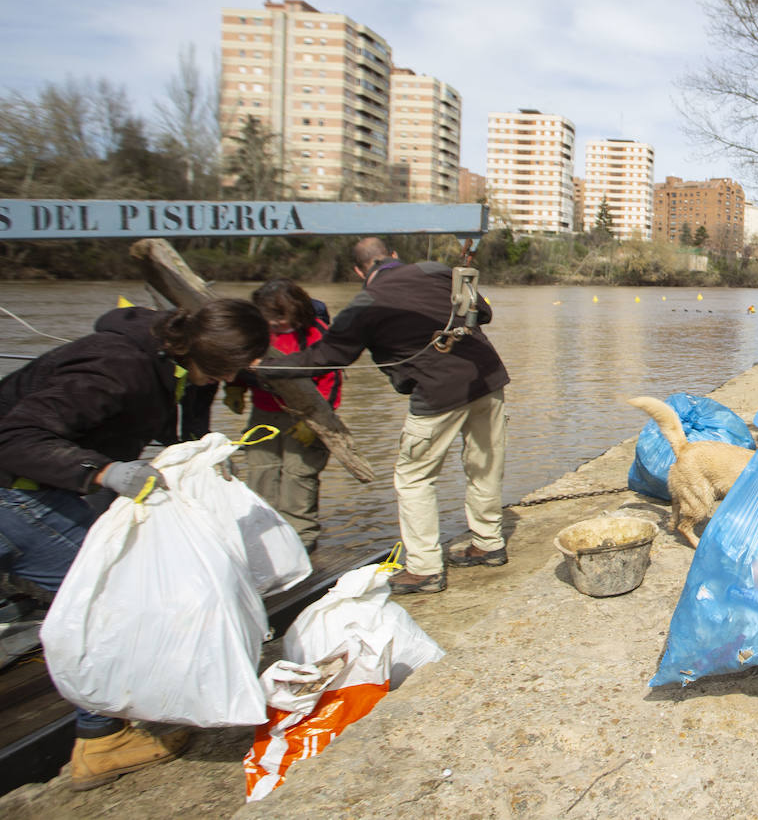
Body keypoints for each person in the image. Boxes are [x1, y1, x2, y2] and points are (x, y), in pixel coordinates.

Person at [0, 299, 268, 789]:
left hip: (43, 488)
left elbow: (170, 417)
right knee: (112, 598)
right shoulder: (116, 366)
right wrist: (103, 471)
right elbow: (14, 436)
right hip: (16, 496)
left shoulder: (167, 356)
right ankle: (101, 742)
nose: (240, 376)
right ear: (212, 355)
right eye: (238, 367)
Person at [260, 238, 510, 595]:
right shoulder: (436, 271)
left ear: (359, 271)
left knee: (414, 479)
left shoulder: (364, 303)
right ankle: (488, 543)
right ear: (393, 255)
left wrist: (265, 367)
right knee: (484, 466)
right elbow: (482, 313)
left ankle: (424, 569)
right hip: (488, 379)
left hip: (437, 394)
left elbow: (329, 356)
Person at [224, 280, 340, 554]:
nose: (274, 325)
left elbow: (331, 379)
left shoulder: (317, 333)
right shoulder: (255, 332)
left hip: (307, 414)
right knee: (261, 470)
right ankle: (263, 534)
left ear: (298, 311)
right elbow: (238, 362)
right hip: (264, 411)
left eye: (280, 319)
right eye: (269, 319)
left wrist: (317, 421)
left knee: (299, 474)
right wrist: (234, 388)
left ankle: (302, 538)